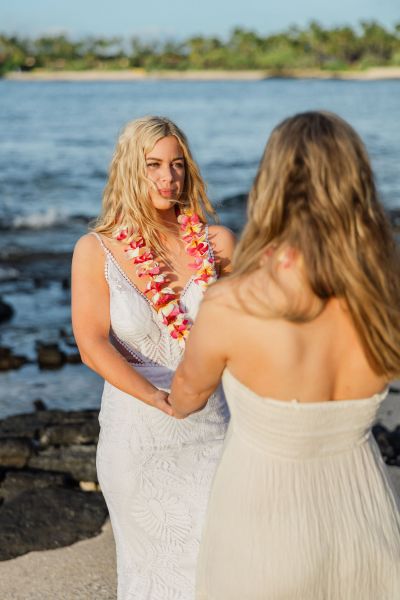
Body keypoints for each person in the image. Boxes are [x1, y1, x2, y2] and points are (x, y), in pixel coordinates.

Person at [169, 111, 400, 599]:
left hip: (264, 526)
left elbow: (186, 396)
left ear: (270, 183)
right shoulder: (387, 297)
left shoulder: (234, 302)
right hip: (367, 522)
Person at [71, 116, 234, 600]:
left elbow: (251, 331)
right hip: (137, 439)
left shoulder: (218, 245)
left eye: (177, 165)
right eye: (154, 165)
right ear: (129, 170)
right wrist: (158, 398)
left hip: (213, 433)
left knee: (220, 572)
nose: (168, 177)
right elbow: (91, 343)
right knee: (154, 580)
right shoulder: (95, 250)